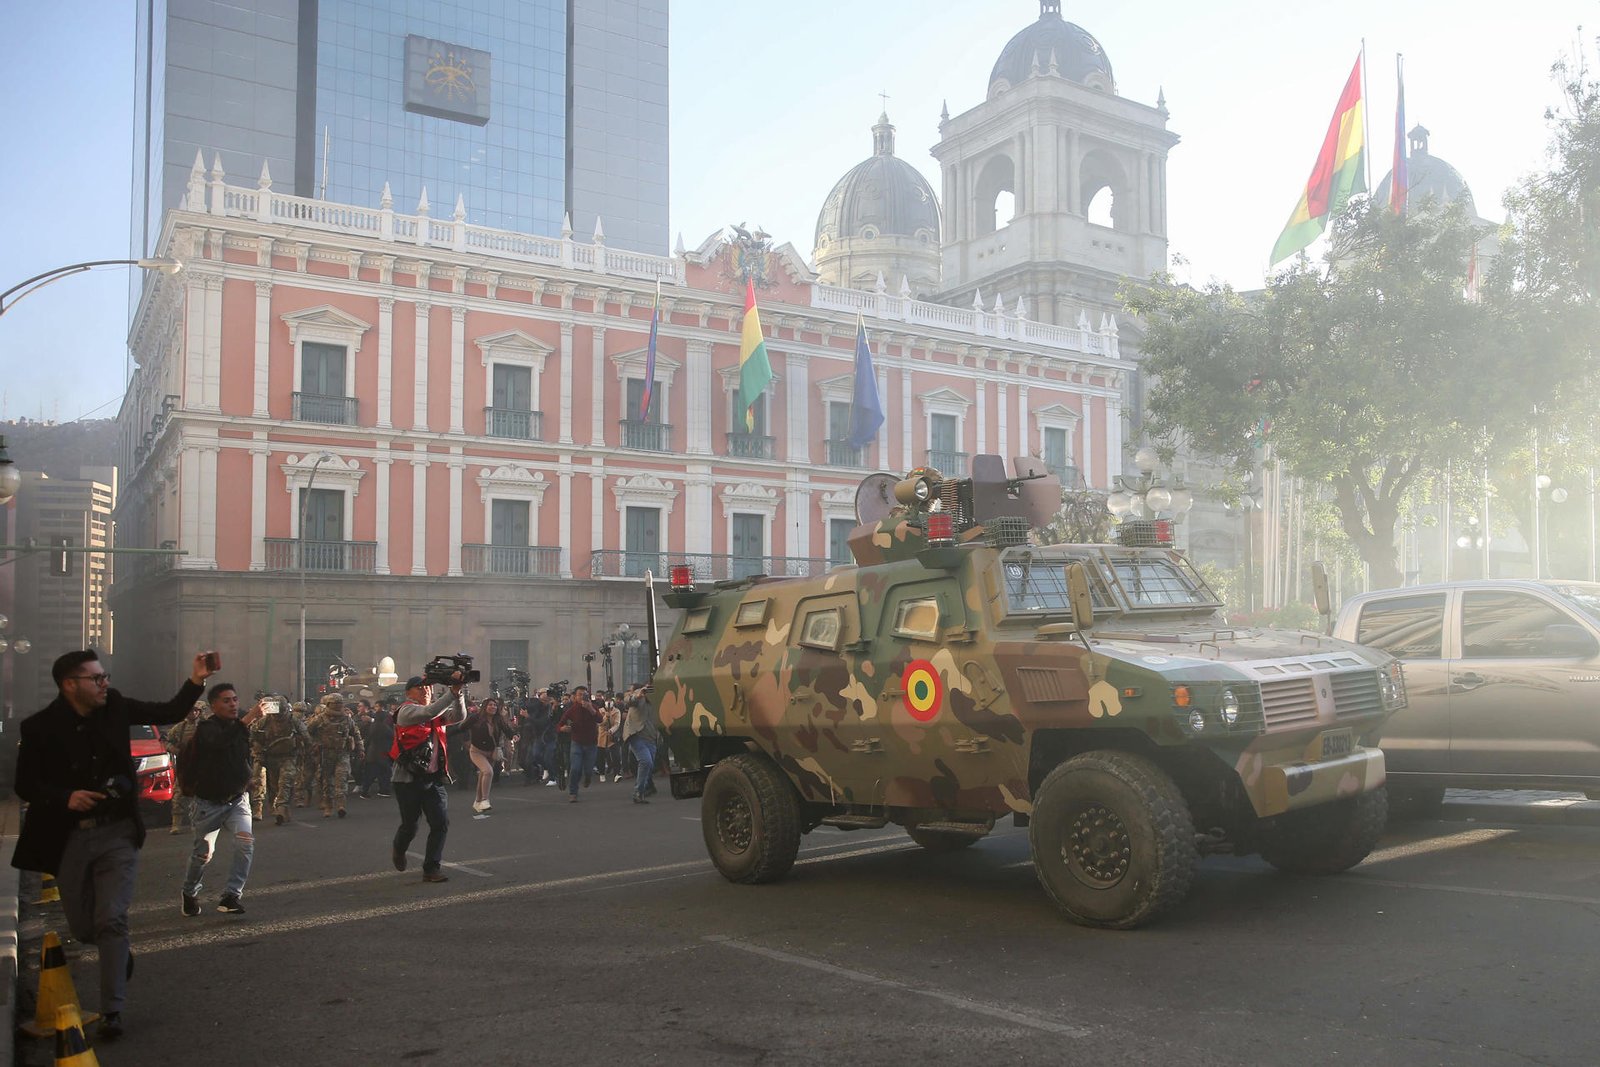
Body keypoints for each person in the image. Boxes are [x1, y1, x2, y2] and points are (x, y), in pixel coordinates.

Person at [11, 648, 213, 1040]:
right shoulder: (39, 728)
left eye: (105, 677)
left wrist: (196, 680)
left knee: (112, 919)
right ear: (70, 685)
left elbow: (169, 711)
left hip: (116, 832)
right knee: (85, 927)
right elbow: (25, 785)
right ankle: (115, 951)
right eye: (96, 678)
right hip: (68, 836)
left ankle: (112, 1011)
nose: (105, 684)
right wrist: (65, 797)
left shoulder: (116, 707)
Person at [181, 683, 266, 916]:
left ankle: (231, 896)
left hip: (237, 800)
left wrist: (247, 779)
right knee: (203, 854)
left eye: (235, 699)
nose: (233, 704)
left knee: (245, 843)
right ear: (213, 705)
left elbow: (239, 758)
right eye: (226, 701)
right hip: (208, 804)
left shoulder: (239, 728)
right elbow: (219, 743)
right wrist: (247, 719)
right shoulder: (206, 729)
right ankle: (189, 892)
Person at [390, 673, 467, 883]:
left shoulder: (435, 712)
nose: (426, 690)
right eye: (420, 687)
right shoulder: (406, 711)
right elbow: (429, 712)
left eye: (429, 687)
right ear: (408, 692)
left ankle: (431, 868)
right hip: (407, 779)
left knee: (440, 823)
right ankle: (399, 849)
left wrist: (459, 693)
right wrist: (452, 692)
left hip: (432, 778)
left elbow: (458, 716)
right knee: (410, 825)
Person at [251, 695, 308, 825]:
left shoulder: (293, 721)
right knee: (272, 784)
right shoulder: (265, 721)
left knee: (285, 782)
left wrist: (306, 751)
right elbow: (253, 735)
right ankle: (271, 806)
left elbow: (306, 737)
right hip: (270, 757)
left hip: (288, 757)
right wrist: (257, 747)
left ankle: (281, 808)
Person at [307, 694, 364, 817]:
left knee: (342, 779)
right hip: (326, 754)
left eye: (340, 703)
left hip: (342, 753)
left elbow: (356, 734)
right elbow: (307, 733)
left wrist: (360, 749)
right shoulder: (320, 719)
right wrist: (314, 745)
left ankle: (341, 805)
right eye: (335, 703)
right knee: (327, 782)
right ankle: (328, 806)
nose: (338, 706)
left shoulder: (347, 719)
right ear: (329, 704)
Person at [558, 685, 605, 804]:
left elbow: (600, 719)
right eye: (580, 694)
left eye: (584, 694)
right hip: (577, 742)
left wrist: (590, 708)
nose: (582, 697)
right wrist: (562, 728)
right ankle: (573, 792)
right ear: (575, 697)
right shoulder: (572, 710)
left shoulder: (592, 706)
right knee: (575, 768)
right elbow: (559, 724)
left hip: (591, 743)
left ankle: (588, 777)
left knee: (589, 769)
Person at [164, 702, 206, 834]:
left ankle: (202, 823)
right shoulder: (179, 728)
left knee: (204, 797)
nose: (193, 713)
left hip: (203, 766)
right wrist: (175, 750)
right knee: (178, 796)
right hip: (185, 766)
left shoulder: (206, 726)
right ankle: (176, 824)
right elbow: (167, 741)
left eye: (195, 711)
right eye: (190, 711)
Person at [466, 697, 506, 814]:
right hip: (477, 751)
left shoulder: (498, 719)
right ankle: (484, 800)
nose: (493, 707)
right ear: (485, 707)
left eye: (495, 705)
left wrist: (514, 735)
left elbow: (507, 729)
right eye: (490, 705)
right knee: (488, 772)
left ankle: (477, 801)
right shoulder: (475, 718)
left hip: (491, 752)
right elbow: (461, 727)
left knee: (483, 775)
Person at [621, 683, 660, 804]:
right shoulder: (636, 698)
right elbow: (628, 700)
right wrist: (638, 695)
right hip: (636, 735)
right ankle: (638, 792)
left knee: (649, 765)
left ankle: (646, 787)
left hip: (651, 737)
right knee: (645, 761)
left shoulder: (656, 700)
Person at [358, 699, 395, 799]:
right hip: (381, 750)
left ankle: (373, 790)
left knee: (375, 771)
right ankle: (382, 790)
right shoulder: (383, 723)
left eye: (377, 707)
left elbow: (370, 736)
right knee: (382, 771)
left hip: (375, 751)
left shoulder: (377, 722)